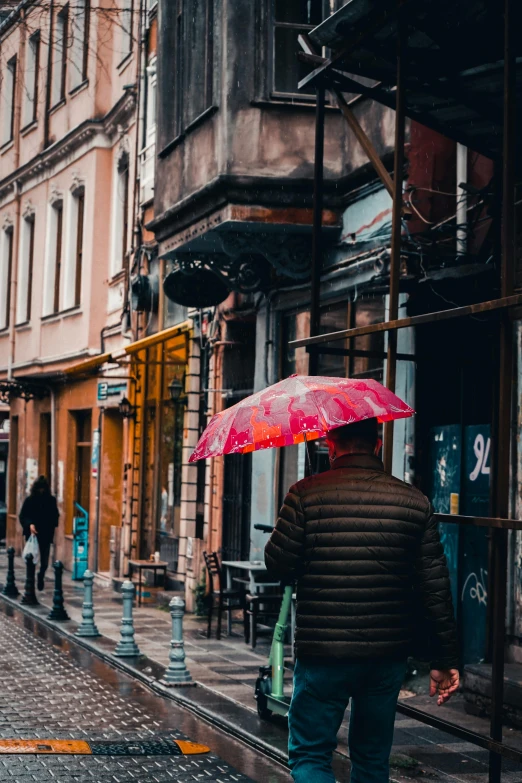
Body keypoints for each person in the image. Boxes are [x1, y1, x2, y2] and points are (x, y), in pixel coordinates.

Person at [265, 418, 459, 783]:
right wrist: (445, 660)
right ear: (378, 445)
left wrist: (296, 516)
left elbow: (278, 565)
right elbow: (435, 587)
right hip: (385, 655)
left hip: (323, 652)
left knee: (310, 754)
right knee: (371, 761)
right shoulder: (414, 502)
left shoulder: (304, 493)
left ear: (330, 445)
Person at [19, 476, 59, 591]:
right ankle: (30, 582)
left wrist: (52, 523)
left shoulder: (51, 500)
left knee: (45, 562)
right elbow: (23, 516)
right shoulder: (30, 500)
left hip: (46, 534)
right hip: (33, 534)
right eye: (39, 488)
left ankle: (41, 575)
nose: (41, 491)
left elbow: (55, 516)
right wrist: (30, 524)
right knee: (31, 559)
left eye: (43, 488)